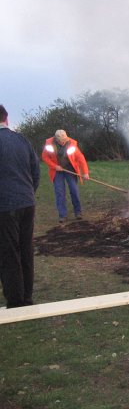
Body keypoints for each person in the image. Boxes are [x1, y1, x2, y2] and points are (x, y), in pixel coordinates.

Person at [0, 105, 40, 308]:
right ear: (6, 119)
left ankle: (16, 301)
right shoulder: (22, 140)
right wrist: (28, 193)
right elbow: (36, 170)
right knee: (25, 249)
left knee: (8, 252)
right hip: (27, 202)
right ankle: (27, 296)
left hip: (5, 207)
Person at [41, 129, 89, 223]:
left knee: (74, 190)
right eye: (61, 141)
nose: (63, 142)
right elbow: (45, 157)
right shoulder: (49, 144)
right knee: (60, 192)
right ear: (56, 139)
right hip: (57, 170)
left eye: (65, 140)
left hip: (70, 169)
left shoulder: (72, 144)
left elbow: (80, 158)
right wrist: (54, 166)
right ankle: (62, 215)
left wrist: (85, 172)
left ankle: (78, 212)